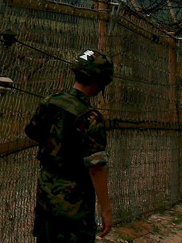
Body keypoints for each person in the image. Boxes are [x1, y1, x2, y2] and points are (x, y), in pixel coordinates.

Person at [25, 49, 114, 242]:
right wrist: (106, 210)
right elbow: (96, 168)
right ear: (100, 83)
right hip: (75, 203)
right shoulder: (91, 118)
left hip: (46, 194)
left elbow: (32, 131)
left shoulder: (51, 101)